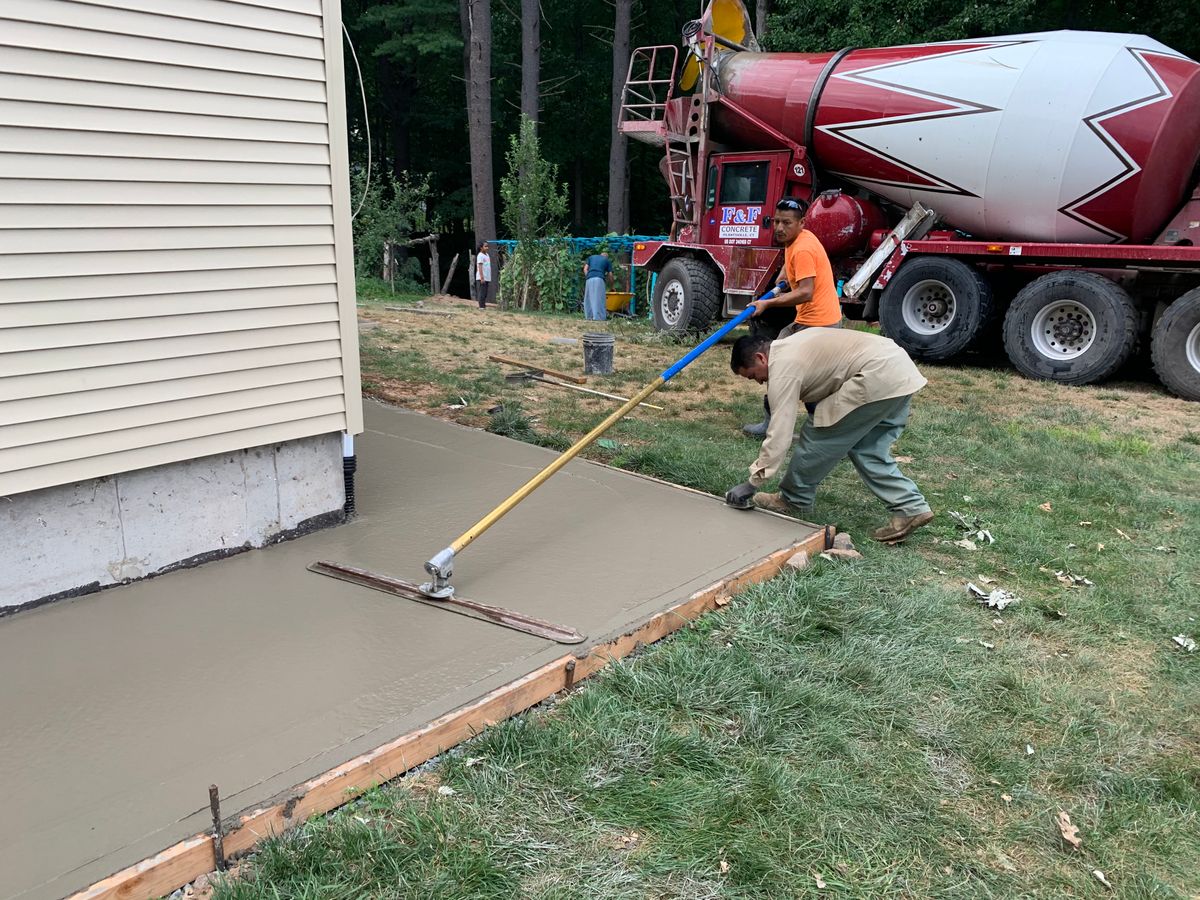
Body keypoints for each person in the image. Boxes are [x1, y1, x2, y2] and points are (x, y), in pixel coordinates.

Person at [723, 329, 934, 543]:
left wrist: (752, 484)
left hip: (875, 375)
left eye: (752, 375)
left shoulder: (783, 368)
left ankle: (795, 500)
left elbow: (780, 432)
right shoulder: (792, 345)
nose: (759, 382)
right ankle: (911, 507)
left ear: (761, 358)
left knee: (819, 434)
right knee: (868, 448)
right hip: (900, 371)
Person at [743, 196, 844, 436]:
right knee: (774, 361)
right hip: (806, 321)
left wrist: (768, 303)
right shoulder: (795, 240)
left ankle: (821, 431)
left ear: (802, 223)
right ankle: (772, 424)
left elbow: (806, 292)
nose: (779, 227)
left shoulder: (804, 248)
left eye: (786, 223)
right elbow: (790, 265)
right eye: (776, 221)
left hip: (821, 325)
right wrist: (783, 276)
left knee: (808, 379)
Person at [582, 250, 613, 320]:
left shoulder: (591, 257)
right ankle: (599, 318)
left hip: (589, 278)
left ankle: (589, 316)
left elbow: (585, 269)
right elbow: (610, 275)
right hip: (599, 279)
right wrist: (612, 286)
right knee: (599, 298)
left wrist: (588, 276)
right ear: (606, 257)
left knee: (588, 298)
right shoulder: (607, 260)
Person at [474, 241, 491, 308]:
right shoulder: (480, 255)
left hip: (487, 277)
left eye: (487, 246)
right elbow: (480, 267)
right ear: (481, 248)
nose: (487, 248)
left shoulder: (487, 255)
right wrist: (482, 277)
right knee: (482, 292)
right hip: (482, 277)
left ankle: (483, 305)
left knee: (485, 292)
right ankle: (481, 306)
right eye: (485, 246)